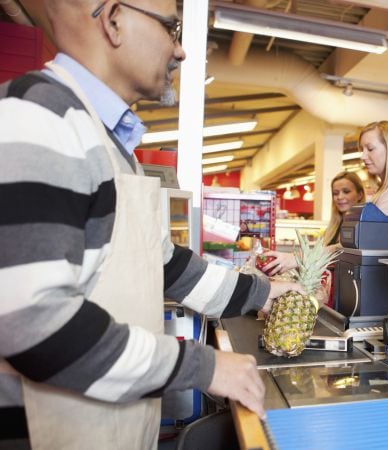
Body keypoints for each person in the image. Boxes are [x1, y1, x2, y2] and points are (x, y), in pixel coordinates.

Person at [0, 1, 302, 448]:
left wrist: (261, 292)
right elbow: (34, 324)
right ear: (115, 19)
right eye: (171, 28)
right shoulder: (39, 115)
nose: (180, 51)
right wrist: (205, 365)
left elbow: (160, 262)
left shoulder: (105, 139)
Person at [262, 171, 364, 275]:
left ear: (360, 194)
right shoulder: (334, 227)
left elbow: (342, 248)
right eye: (335, 193)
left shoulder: (363, 226)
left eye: (346, 191)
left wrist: (298, 258)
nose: (340, 197)